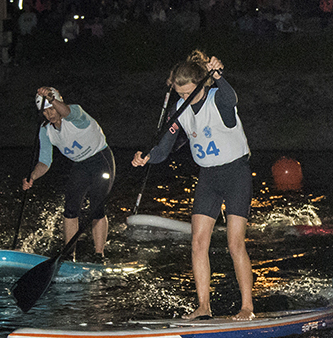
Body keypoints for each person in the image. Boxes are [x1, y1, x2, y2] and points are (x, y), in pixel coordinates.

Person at [132, 52, 254, 320]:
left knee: (235, 244)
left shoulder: (217, 98)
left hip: (236, 173)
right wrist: (148, 157)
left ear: (201, 84)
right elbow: (164, 148)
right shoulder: (179, 108)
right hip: (208, 177)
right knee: (198, 243)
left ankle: (247, 307)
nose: (184, 98)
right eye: (180, 93)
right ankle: (203, 306)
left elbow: (230, 97)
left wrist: (218, 77)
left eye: (189, 92)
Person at [23, 87, 115, 262]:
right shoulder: (46, 130)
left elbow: (67, 112)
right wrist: (32, 176)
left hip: (101, 160)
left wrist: (51, 98)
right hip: (80, 165)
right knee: (70, 209)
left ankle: (99, 255)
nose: (50, 114)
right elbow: (44, 162)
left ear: (59, 103)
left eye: (52, 108)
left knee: (96, 207)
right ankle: (69, 254)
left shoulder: (76, 114)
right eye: (45, 111)